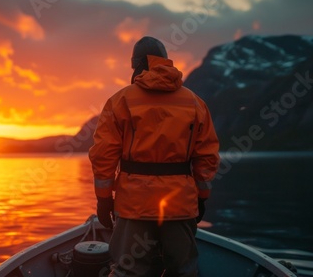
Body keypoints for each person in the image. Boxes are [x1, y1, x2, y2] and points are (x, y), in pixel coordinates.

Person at [89, 36, 220, 277]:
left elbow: (103, 155)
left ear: (138, 64)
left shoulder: (120, 101)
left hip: (133, 206)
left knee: (128, 271)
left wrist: (104, 199)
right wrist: (201, 198)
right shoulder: (194, 103)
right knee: (183, 272)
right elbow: (207, 156)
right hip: (179, 205)